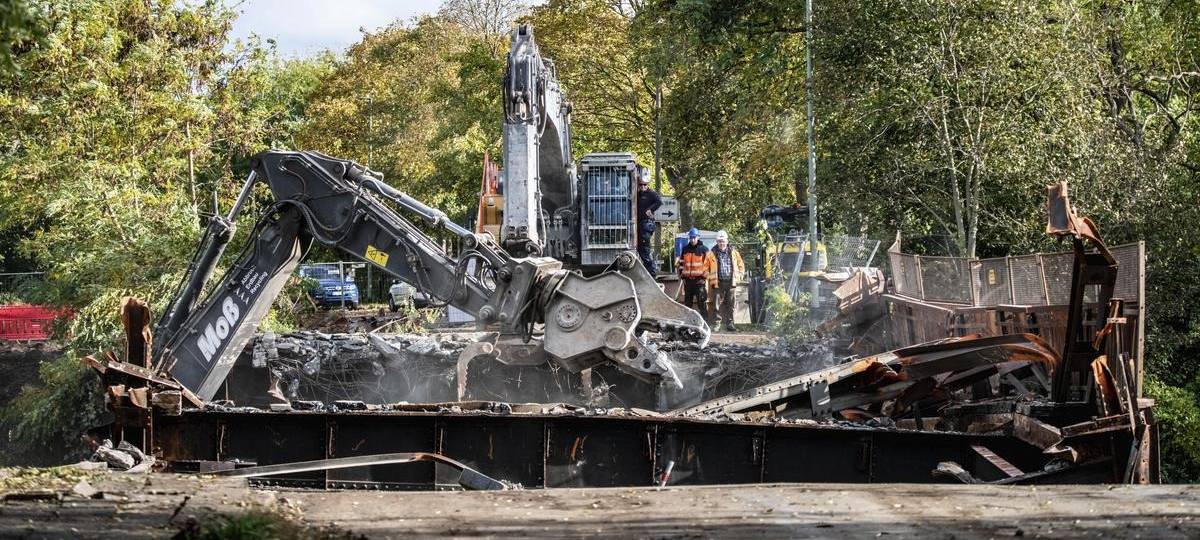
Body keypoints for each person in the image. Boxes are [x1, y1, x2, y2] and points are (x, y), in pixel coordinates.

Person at [704, 229, 745, 331]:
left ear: (727, 241)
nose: (722, 243)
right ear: (717, 242)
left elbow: (741, 266)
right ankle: (717, 324)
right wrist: (710, 278)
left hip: (731, 282)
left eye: (723, 241)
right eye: (719, 241)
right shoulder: (711, 254)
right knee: (716, 304)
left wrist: (739, 276)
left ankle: (730, 324)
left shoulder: (734, 253)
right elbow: (705, 268)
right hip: (718, 283)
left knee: (731, 304)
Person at [676, 227, 709, 321]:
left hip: (699, 282)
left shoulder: (704, 249)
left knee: (701, 303)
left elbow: (708, 265)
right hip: (688, 282)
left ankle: (705, 322)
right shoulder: (685, 249)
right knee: (688, 304)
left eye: (694, 237)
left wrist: (704, 278)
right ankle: (688, 323)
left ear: (698, 237)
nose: (692, 239)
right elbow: (681, 264)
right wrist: (683, 277)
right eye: (691, 237)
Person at [635, 165, 662, 274]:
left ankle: (652, 271)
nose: (642, 187)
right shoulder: (637, 194)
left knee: (645, 248)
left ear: (648, 184)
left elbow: (659, 202)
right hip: (640, 223)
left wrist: (650, 210)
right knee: (641, 248)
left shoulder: (651, 194)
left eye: (644, 185)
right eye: (640, 185)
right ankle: (647, 269)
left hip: (646, 224)